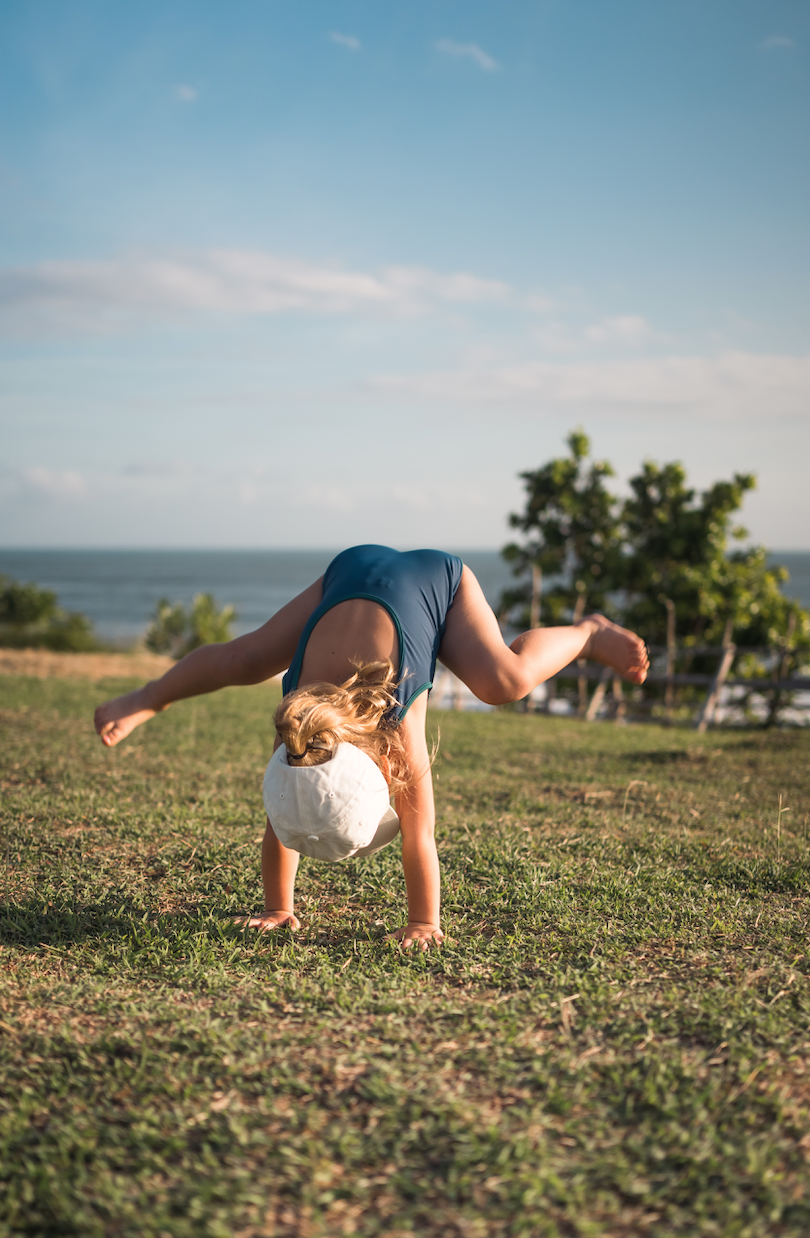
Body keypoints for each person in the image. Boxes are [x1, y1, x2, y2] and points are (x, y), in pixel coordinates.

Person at [94, 545, 649, 950]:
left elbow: (419, 830)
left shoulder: (398, 721)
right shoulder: (300, 721)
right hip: (350, 571)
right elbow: (280, 815)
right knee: (244, 659)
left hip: (438, 583)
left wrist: (423, 921)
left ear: (378, 761)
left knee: (502, 682)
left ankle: (589, 632)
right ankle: (147, 698)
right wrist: (276, 908)